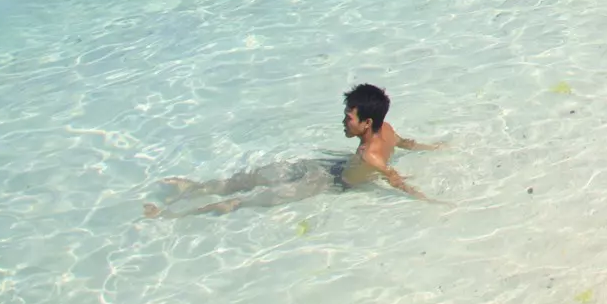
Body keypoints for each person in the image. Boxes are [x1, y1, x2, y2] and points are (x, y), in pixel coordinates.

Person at [146, 84, 438, 217]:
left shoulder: (367, 156)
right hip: (327, 168)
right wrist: (433, 148)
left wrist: (428, 201)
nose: (343, 121)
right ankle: (192, 188)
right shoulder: (387, 130)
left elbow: (394, 178)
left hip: (328, 182)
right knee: (251, 179)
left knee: (245, 199)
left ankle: (170, 214)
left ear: (367, 122)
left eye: (349, 117)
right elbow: (406, 144)